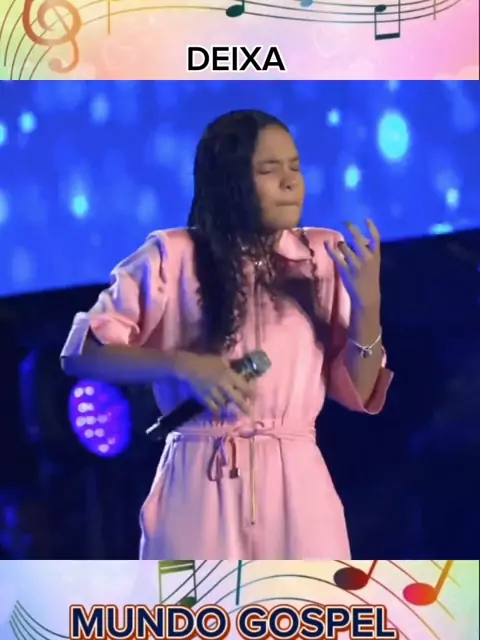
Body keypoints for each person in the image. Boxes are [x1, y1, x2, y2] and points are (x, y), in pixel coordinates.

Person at [61, 109, 393, 560]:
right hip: (198, 478)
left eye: (295, 167)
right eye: (269, 170)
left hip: (297, 486)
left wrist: (368, 307)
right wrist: (183, 365)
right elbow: (82, 353)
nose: (290, 182)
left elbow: (361, 389)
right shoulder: (171, 255)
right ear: (229, 181)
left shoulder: (321, 255)